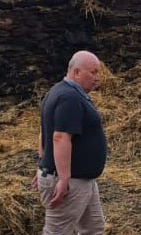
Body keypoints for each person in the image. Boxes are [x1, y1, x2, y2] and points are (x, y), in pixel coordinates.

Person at [32, 50, 108, 235]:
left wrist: (44, 163)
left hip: (82, 179)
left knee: (94, 228)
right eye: (93, 72)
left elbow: (44, 132)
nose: (97, 78)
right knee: (57, 232)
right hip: (71, 181)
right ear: (76, 72)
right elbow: (60, 137)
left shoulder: (60, 91)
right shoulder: (70, 98)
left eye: (98, 72)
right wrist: (63, 178)